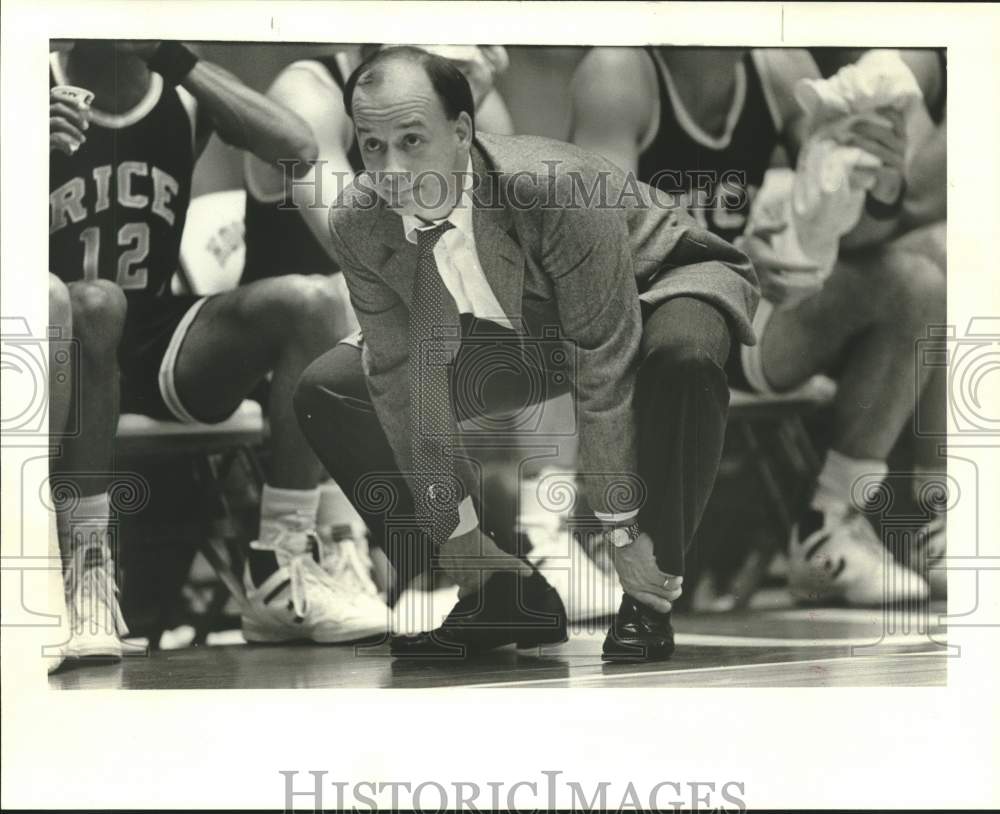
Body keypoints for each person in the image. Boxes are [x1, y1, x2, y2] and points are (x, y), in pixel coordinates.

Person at [293, 47, 758, 660]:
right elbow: (398, 376)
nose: (390, 168)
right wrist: (452, 529)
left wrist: (618, 529)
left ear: (462, 132)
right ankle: (498, 592)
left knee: (685, 360)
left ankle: (648, 595)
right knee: (334, 386)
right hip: (529, 325)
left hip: (657, 287)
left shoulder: (553, 188)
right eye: (372, 145)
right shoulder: (360, 221)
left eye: (411, 140)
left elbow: (605, 359)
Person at [47, 39, 389, 663]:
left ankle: (280, 564)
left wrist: (173, 58)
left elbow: (299, 148)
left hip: (153, 334)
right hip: (47, 340)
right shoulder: (28, 82)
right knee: (96, 304)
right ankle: (85, 577)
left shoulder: (178, 91)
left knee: (312, 303)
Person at [570, 46, 946, 606]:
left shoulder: (783, 70)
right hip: (641, 326)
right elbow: (597, 252)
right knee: (686, 315)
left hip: (736, 314)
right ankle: (591, 533)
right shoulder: (619, 73)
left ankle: (826, 524)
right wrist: (723, 255)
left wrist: (882, 183)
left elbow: (857, 237)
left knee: (915, 282)